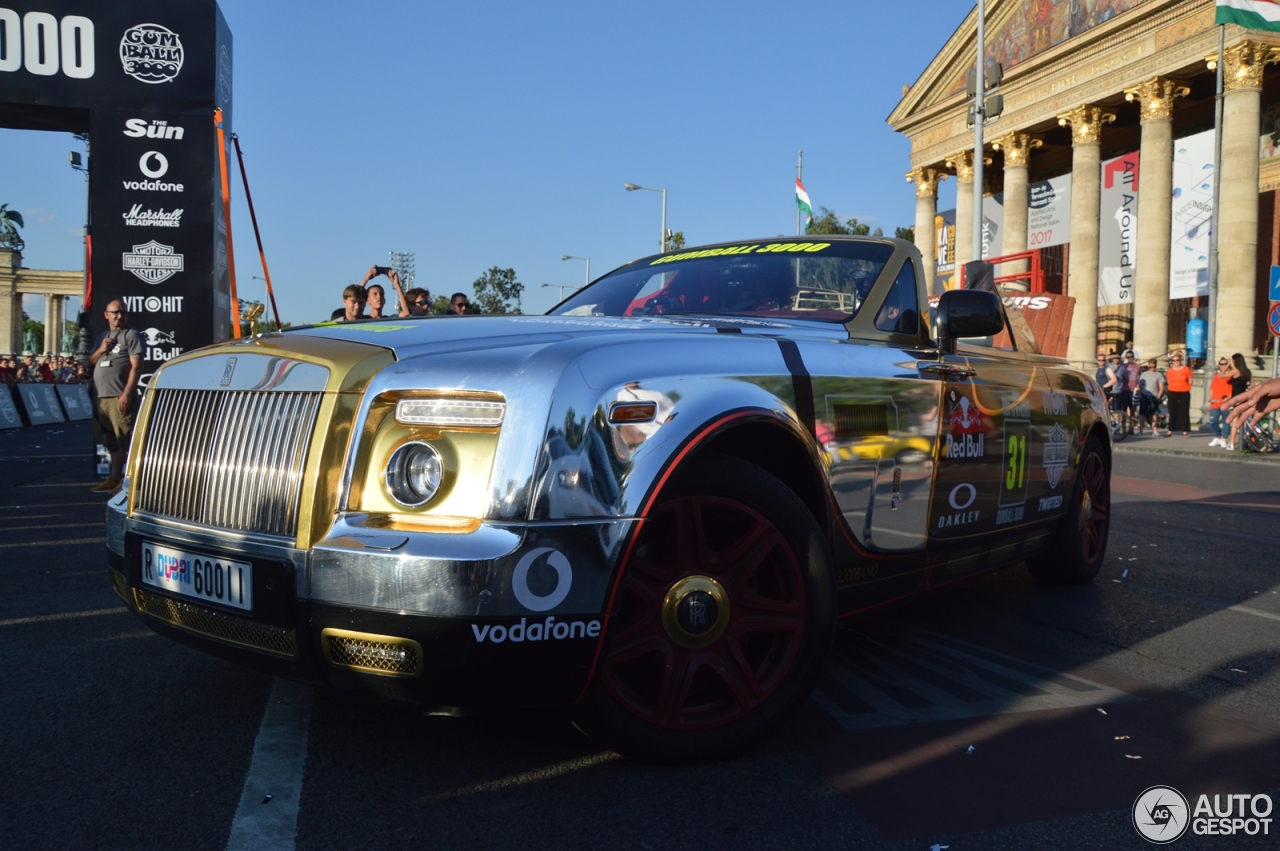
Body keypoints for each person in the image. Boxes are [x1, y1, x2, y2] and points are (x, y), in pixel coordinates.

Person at [88, 300, 142, 496]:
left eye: (123, 312)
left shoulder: (131, 335)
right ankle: (114, 479)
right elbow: (90, 362)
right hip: (103, 397)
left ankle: (131, 482)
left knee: (126, 439)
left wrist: (127, 393)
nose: (120, 315)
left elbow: (136, 366)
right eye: (115, 312)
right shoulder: (103, 336)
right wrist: (101, 349)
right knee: (111, 442)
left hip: (120, 396)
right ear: (106, 315)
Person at [1225, 352, 1253, 450]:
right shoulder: (1248, 372)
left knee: (1235, 421)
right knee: (1245, 421)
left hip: (1236, 398)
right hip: (1245, 397)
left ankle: (1232, 443)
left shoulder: (1235, 371)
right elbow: (1252, 386)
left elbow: (1221, 375)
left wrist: (1227, 365)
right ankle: (1246, 441)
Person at [1164, 350, 1193, 437]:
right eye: (1174, 360)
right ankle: (1170, 430)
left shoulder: (1186, 369)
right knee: (1172, 410)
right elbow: (1169, 381)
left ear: (1180, 361)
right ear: (1171, 361)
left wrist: (1187, 387)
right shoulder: (1170, 371)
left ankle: (1185, 430)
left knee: (1184, 410)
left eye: (1177, 360)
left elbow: (1190, 381)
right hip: (1172, 391)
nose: (1176, 362)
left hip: (1184, 391)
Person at [1206, 357, 1233, 447]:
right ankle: (1218, 436)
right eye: (1221, 364)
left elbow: (1234, 390)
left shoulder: (1231, 375)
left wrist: (1228, 398)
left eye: (1225, 364)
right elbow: (1211, 388)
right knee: (1213, 421)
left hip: (1225, 402)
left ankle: (1224, 439)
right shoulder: (1216, 376)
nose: (1223, 366)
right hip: (1216, 402)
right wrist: (1211, 397)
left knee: (1226, 421)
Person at [1137, 358, 1165, 436]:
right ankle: (1140, 431)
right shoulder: (1144, 374)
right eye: (1150, 367)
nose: (1152, 368)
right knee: (1142, 414)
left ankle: (1155, 431)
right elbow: (1140, 385)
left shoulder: (1158, 374)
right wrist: (1139, 394)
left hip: (1154, 396)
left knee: (1154, 414)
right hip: (1145, 396)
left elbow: (1161, 386)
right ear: (1148, 366)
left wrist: (1159, 395)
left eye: (1154, 367)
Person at [1119, 349, 1142, 433]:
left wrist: (1139, 388)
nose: (1130, 358)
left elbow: (1141, 378)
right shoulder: (1123, 366)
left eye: (1131, 356)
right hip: (1124, 390)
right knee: (1123, 411)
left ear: (1133, 357)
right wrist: (1123, 358)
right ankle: (1124, 429)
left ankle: (1131, 429)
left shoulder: (1138, 366)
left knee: (1132, 411)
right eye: (1128, 357)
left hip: (1134, 391)